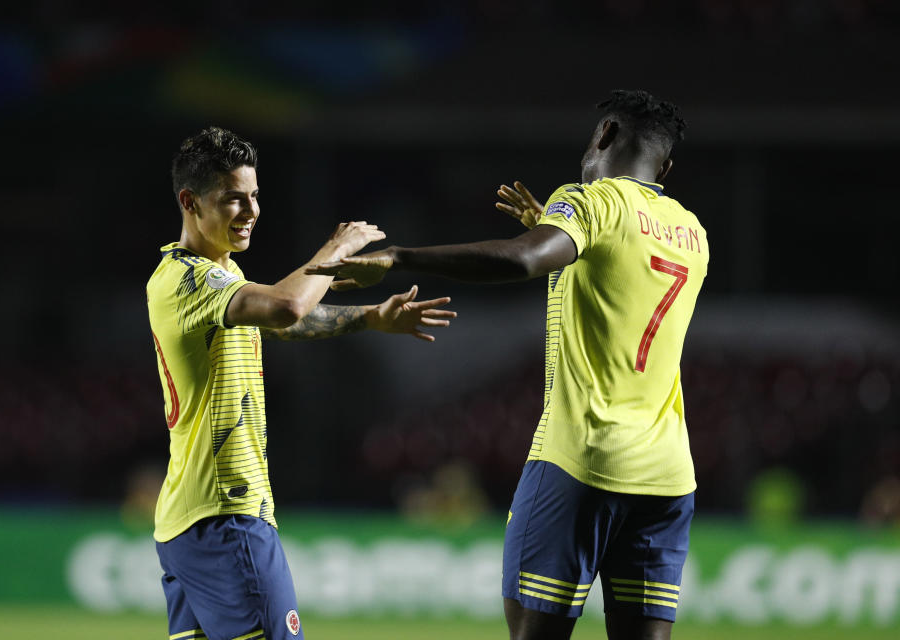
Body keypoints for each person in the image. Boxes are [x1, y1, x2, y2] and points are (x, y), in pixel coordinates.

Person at [310, 90, 707, 640]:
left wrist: (400, 258)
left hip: (582, 458)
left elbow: (524, 258)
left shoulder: (592, 202)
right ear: (664, 167)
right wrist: (555, 229)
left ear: (606, 135)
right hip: (667, 475)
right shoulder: (692, 232)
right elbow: (620, 280)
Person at [146, 126, 456, 640]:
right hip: (226, 513)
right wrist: (336, 248)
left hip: (187, 520)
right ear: (190, 202)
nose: (250, 211)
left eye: (255, 196)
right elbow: (287, 306)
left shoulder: (215, 275)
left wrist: (369, 317)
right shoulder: (191, 278)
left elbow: (283, 320)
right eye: (232, 199)